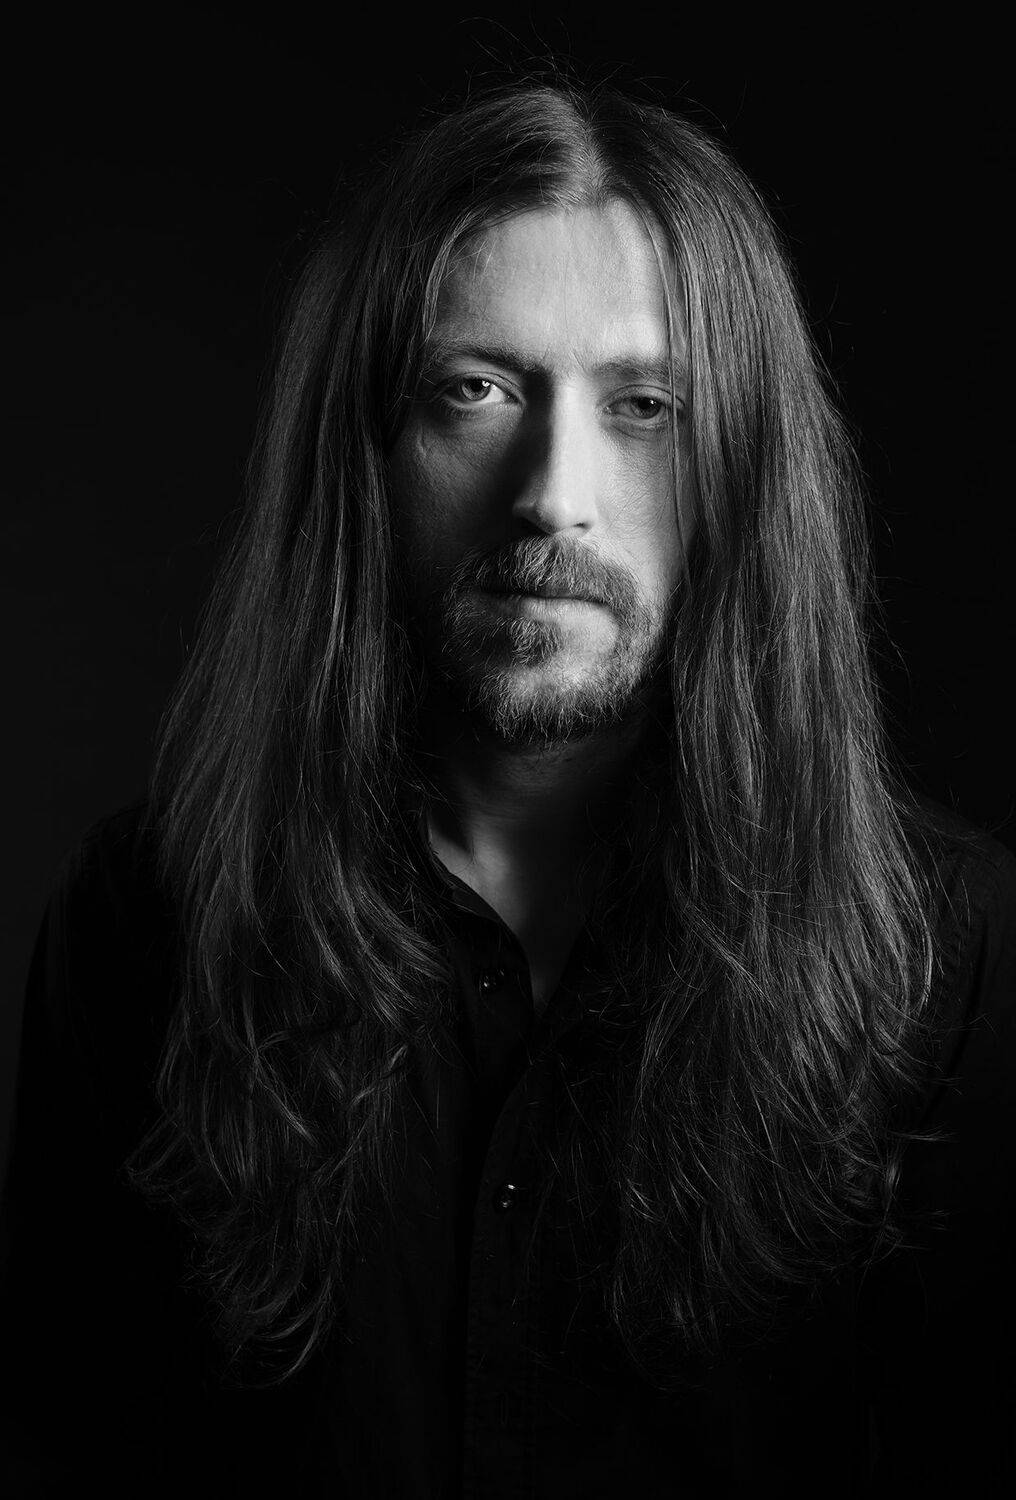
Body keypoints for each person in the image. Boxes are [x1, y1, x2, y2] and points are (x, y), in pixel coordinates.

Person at [2, 80, 1014, 1499]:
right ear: (365, 449)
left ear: (741, 468)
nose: (554, 494)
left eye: (645, 406)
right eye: (475, 390)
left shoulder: (950, 958)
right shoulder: (147, 924)